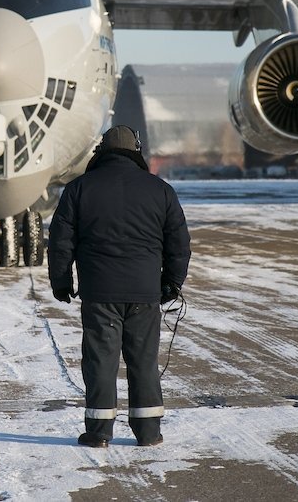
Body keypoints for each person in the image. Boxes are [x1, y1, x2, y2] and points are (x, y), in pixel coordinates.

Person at [48, 125, 191, 448]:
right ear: (136, 151)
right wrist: (171, 282)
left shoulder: (79, 189)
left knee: (100, 360)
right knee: (143, 360)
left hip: (99, 294)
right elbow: (179, 244)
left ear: (101, 152)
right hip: (144, 294)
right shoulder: (161, 190)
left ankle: (99, 432)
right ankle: (149, 432)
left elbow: (60, 242)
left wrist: (61, 282)